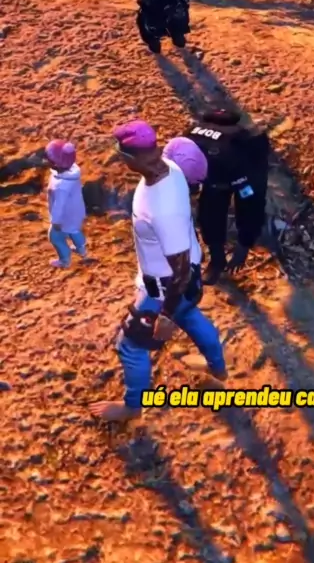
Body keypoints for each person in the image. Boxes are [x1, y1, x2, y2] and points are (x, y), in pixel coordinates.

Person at [90, 120, 226, 424]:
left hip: (165, 287)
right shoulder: (171, 167)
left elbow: (179, 268)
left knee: (130, 346)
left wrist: (165, 315)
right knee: (191, 317)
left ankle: (132, 407)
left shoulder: (162, 208)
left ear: (129, 158)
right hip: (188, 273)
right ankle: (218, 368)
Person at [163, 107, 270, 285]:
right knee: (209, 212)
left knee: (247, 201)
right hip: (214, 166)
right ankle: (217, 260)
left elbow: (252, 204)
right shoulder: (180, 147)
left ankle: (241, 245)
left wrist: (244, 244)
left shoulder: (236, 161)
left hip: (244, 160)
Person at [45, 139, 87, 268]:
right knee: (74, 230)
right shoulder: (73, 172)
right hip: (77, 211)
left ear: (56, 163)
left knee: (55, 238)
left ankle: (65, 260)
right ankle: (81, 249)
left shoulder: (61, 186)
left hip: (64, 217)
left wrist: (56, 221)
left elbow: (59, 205)